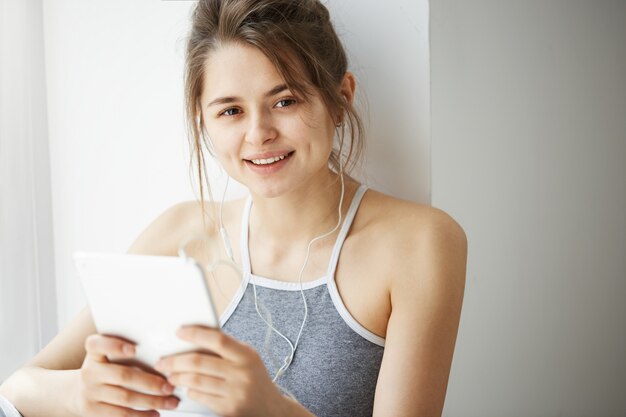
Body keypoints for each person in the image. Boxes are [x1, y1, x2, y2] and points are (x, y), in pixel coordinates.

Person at [0, 0, 467, 416]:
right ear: (202, 118)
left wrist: (271, 410)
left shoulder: (419, 243)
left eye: (284, 101)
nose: (259, 133)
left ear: (340, 99)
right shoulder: (179, 234)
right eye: (230, 111)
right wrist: (85, 396)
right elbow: (20, 388)